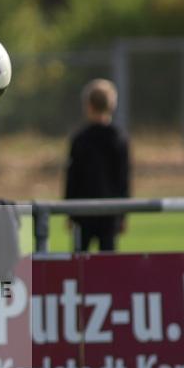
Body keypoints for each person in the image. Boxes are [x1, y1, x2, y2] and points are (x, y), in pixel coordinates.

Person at [64, 78, 131, 253]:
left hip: (82, 212)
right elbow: (123, 178)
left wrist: (69, 212)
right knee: (107, 264)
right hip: (110, 211)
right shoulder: (119, 138)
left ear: (88, 105)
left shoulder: (80, 138)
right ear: (112, 105)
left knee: (79, 263)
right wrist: (123, 214)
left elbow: (72, 177)